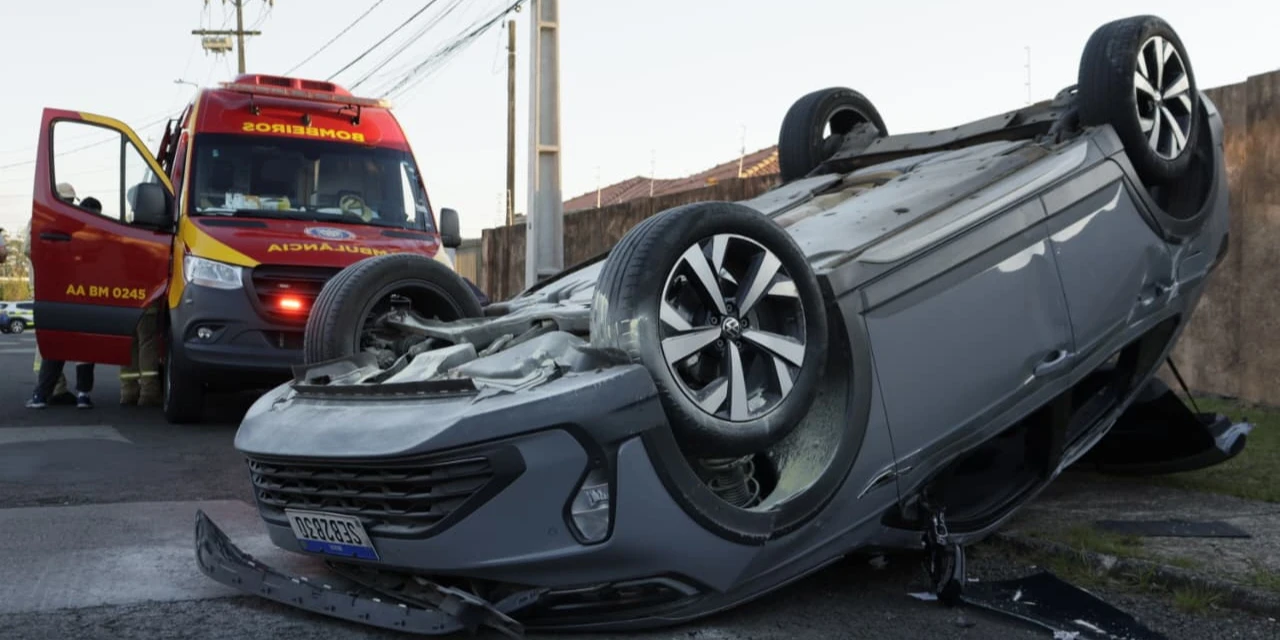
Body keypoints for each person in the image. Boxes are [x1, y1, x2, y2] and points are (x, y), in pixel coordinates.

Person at [25, 190, 98, 410]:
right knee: (82, 345)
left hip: (55, 291)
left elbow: (30, 249)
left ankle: (42, 395)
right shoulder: (87, 227)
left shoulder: (45, 222)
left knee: (55, 342)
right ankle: (82, 395)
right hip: (81, 293)